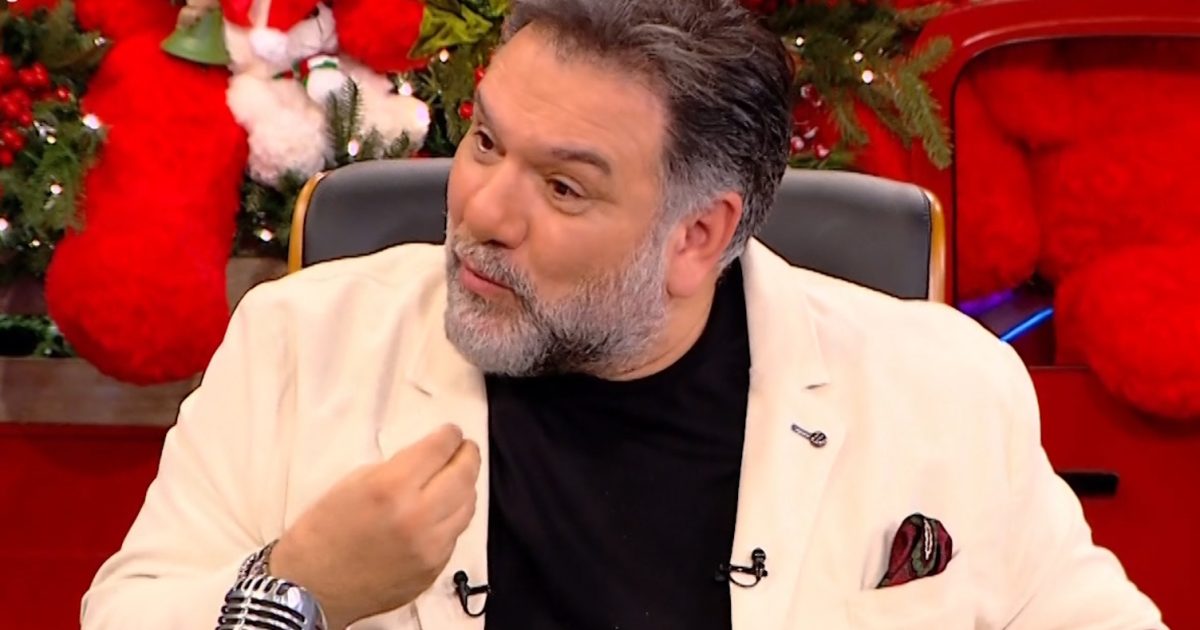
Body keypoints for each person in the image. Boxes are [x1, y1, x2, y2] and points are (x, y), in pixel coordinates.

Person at [81, 0, 1165, 628]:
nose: (482, 211)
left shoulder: (941, 387)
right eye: (487, 142)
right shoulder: (300, 344)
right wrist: (299, 589)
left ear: (699, 234)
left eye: (564, 187)